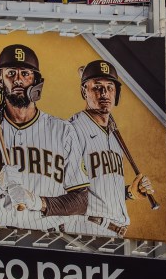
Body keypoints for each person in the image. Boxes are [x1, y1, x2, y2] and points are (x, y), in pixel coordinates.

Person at [0, 44, 90, 230]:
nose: (18, 80)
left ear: (36, 80)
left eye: (25, 74)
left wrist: (37, 202)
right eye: (11, 73)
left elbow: (81, 200)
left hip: (49, 236)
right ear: (0, 79)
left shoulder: (62, 131)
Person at [66, 59, 154, 238]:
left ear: (116, 94)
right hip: (85, 229)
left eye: (110, 87)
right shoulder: (72, 131)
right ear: (84, 91)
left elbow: (101, 190)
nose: (104, 93)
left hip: (114, 232)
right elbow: (67, 192)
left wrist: (129, 193)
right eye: (97, 87)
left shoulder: (114, 136)